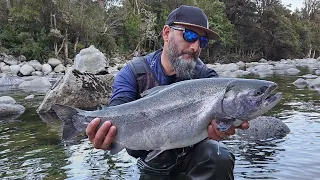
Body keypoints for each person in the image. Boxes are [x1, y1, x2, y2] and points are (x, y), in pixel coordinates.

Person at [86, 5, 249, 180]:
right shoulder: (134, 73)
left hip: (196, 159)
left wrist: (224, 126)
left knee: (219, 156)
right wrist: (104, 136)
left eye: (202, 41)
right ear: (166, 33)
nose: (195, 47)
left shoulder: (207, 78)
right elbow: (116, 112)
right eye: (189, 35)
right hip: (151, 162)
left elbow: (221, 124)